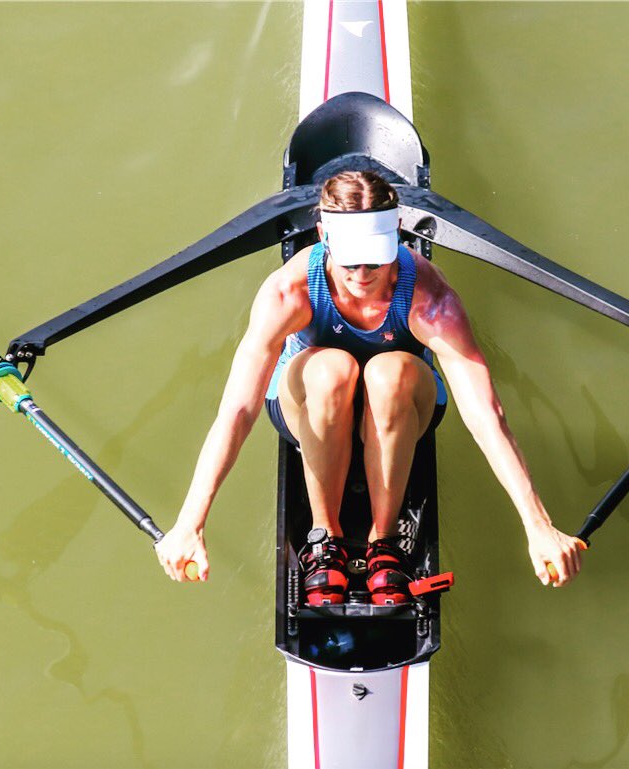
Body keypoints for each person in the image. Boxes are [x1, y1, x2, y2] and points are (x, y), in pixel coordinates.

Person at [155, 170, 585, 597]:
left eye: (376, 258)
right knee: (332, 369)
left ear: (398, 230)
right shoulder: (289, 293)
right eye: (350, 260)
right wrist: (191, 521)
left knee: (389, 371)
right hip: (308, 400)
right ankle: (325, 539)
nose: (362, 274)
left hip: (402, 404)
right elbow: (238, 410)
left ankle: (385, 543)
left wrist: (538, 525)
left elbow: (487, 417)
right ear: (322, 234)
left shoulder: (431, 301)